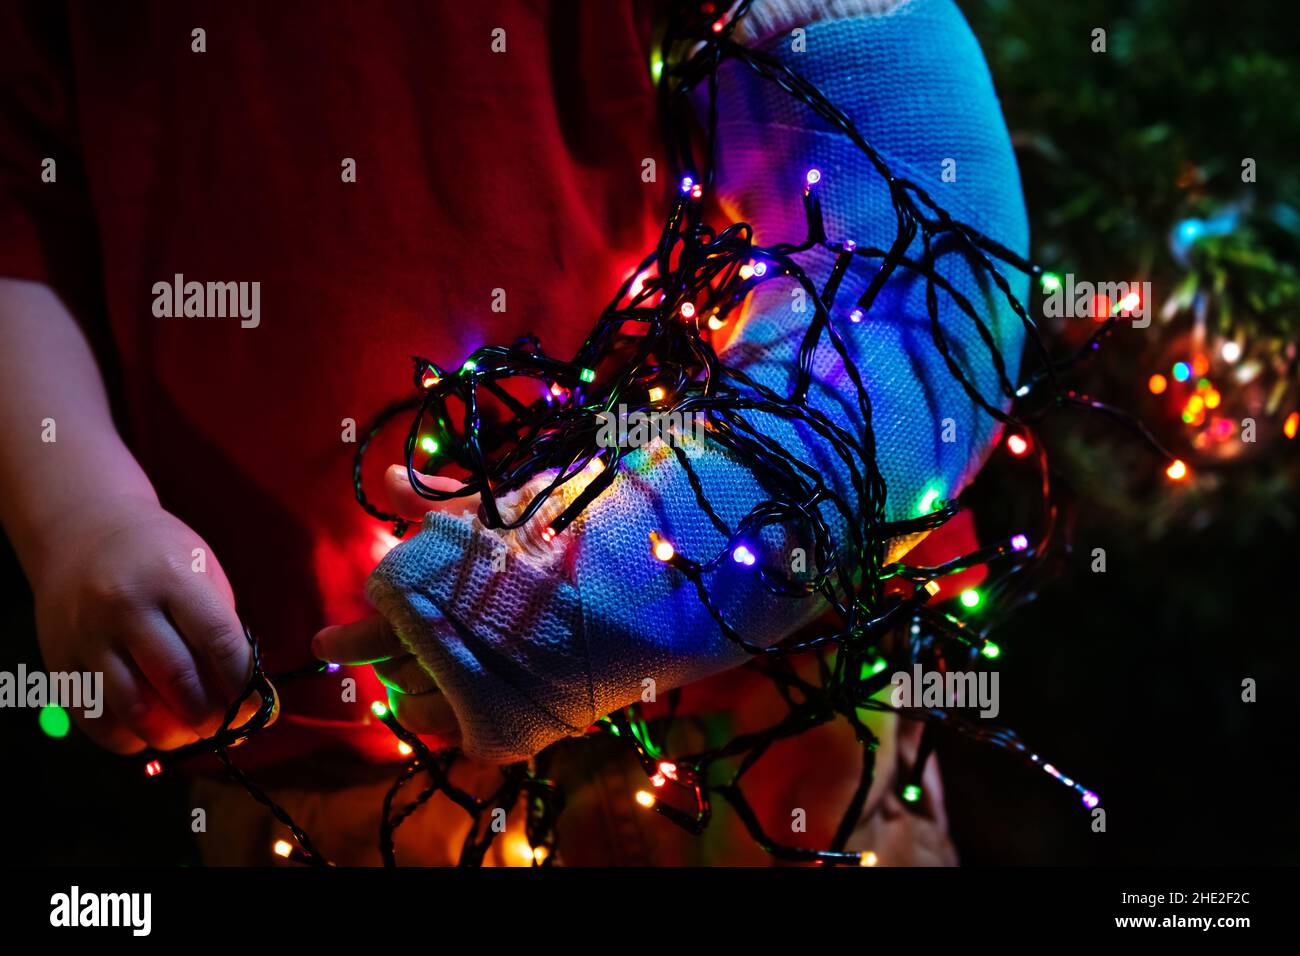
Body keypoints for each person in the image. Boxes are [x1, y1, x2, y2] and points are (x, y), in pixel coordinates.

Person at [0, 0, 1024, 865]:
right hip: (315, 754)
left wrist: (600, 582)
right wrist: (80, 513)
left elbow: (920, 288)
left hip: (763, 722)